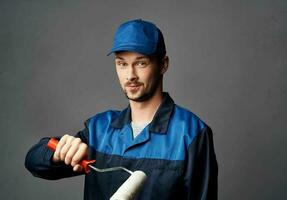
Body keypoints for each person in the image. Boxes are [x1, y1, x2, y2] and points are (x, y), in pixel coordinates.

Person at [25, 19, 218, 200]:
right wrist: (57, 154)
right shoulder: (99, 129)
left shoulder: (191, 134)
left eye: (141, 63)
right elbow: (34, 162)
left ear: (163, 65)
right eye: (122, 63)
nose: (130, 75)